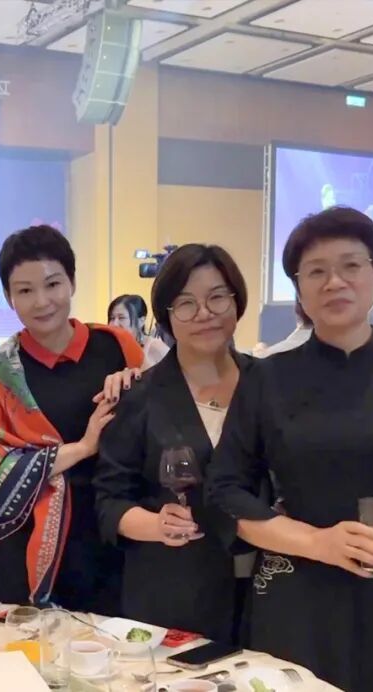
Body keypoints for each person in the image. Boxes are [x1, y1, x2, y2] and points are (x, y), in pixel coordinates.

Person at [206, 207, 373, 691]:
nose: (334, 282)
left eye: (351, 265)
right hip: (296, 596)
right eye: (316, 272)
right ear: (299, 288)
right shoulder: (267, 378)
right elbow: (224, 490)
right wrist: (317, 542)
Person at [0, 225, 143, 610]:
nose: (42, 301)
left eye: (52, 284)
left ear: (72, 282)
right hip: (28, 539)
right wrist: (83, 447)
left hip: (113, 530)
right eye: (25, 291)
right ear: (9, 297)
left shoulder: (117, 346)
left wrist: (139, 381)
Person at [96, 244, 254, 643]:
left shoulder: (268, 385)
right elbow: (109, 500)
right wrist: (155, 525)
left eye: (217, 297)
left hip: (266, 591)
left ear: (236, 301)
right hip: (173, 592)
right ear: (166, 315)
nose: (204, 313)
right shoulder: (140, 395)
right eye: (186, 303)